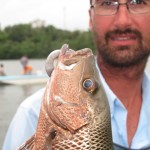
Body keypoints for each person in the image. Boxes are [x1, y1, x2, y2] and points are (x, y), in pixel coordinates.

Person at [3, 0, 150, 149]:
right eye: (108, 3)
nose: (123, 21)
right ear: (91, 17)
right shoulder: (31, 115)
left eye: (137, 2)